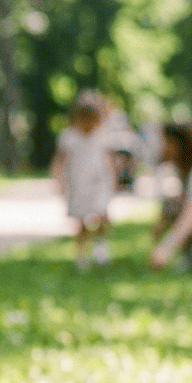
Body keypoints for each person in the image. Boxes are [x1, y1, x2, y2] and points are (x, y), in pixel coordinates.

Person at [51, 90, 117, 270]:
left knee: (102, 214)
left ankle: (100, 247)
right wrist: (58, 180)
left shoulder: (103, 135)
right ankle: (81, 255)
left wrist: (114, 181)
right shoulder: (69, 136)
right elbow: (59, 161)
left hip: (99, 182)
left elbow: (110, 161)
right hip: (78, 183)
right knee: (81, 221)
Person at [149, 121, 192, 272]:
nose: (161, 146)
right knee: (173, 204)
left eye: (165, 141)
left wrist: (165, 248)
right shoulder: (186, 170)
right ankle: (191, 255)